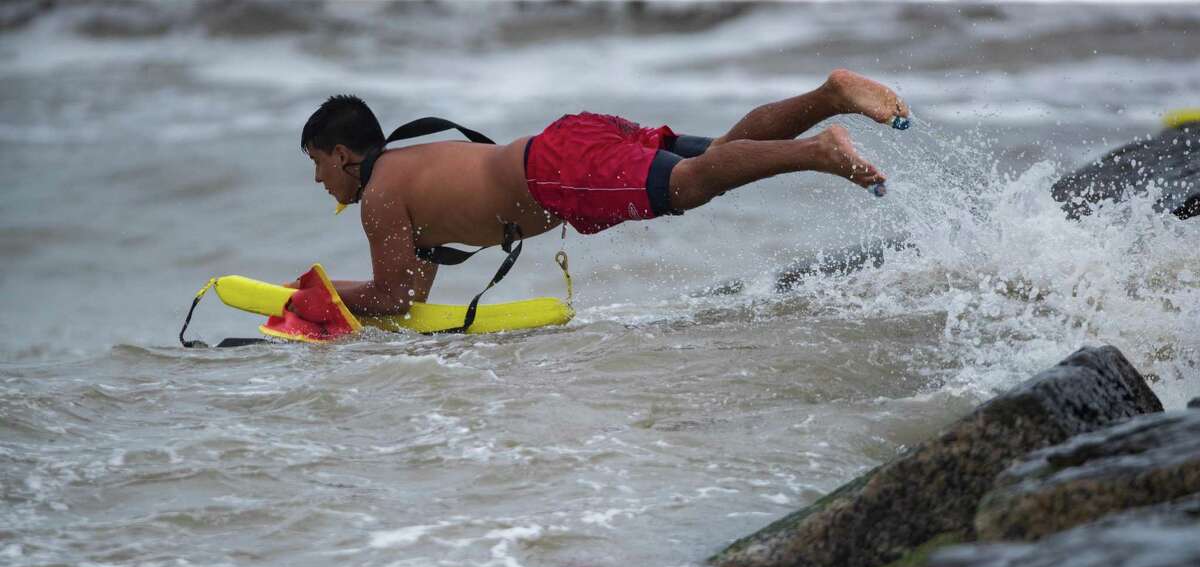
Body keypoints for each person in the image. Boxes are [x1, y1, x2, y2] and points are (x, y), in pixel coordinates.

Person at [295, 69, 909, 318]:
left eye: (319, 165)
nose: (321, 181)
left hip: (557, 169)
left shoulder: (378, 195)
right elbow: (415, 292)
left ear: (344, 155)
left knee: (691, 186)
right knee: (721, 151)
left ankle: (819, 152)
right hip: (571, 139)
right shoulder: (409, 166)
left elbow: (393, 296)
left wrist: (310, 296)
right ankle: (830, 94)